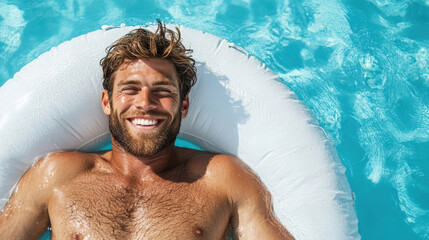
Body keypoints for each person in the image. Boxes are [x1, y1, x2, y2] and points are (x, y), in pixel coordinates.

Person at [0, 20, 294, 240]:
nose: (145, 103)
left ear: (184, 106)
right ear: (107, 102)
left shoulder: (222, 179)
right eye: (130, 89)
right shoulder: (56, 175)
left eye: (162, 91)